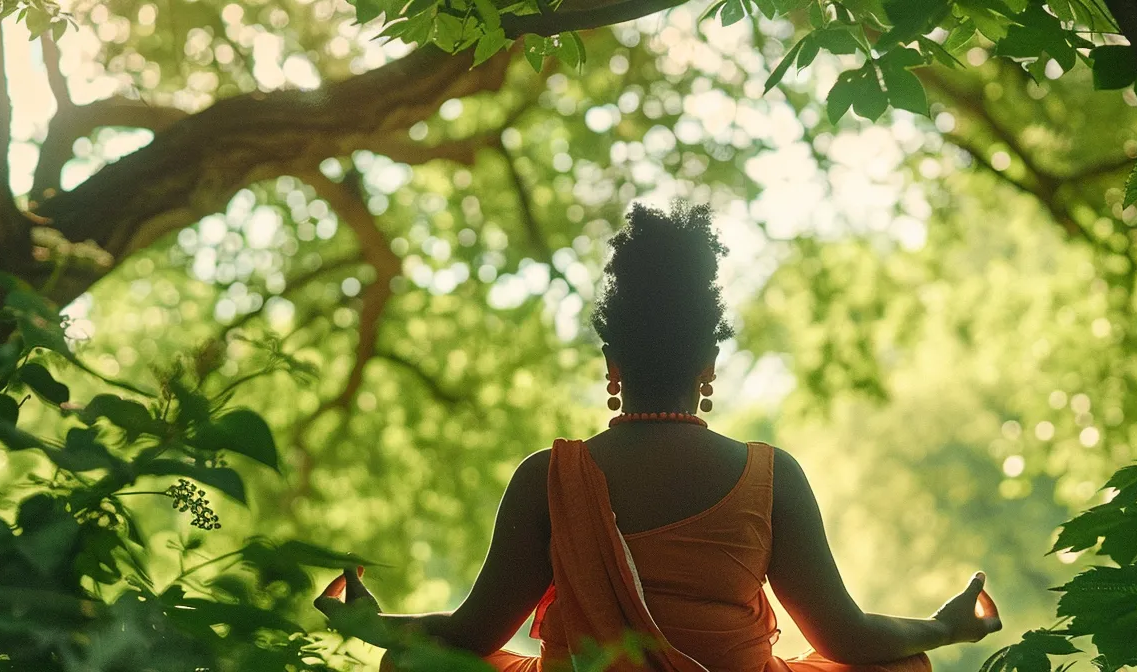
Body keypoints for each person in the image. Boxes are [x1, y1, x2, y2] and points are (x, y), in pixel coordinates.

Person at [317, 203, 1002, 672]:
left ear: (612, 366)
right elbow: (847, 638)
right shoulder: (771, 476)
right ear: (708, 366)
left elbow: (471, 635)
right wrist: (945, 628)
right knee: (903, 664)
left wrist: (374, 626)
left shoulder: (549, 478)